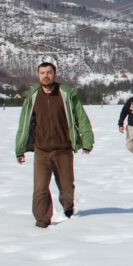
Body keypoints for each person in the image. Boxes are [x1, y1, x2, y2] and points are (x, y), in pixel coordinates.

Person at [14, 62, 94, 228]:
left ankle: (68, 206)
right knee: (40, 189)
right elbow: (23, 125)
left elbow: (81, 118)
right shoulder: (32, 97)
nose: (46, 76)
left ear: (54, 74)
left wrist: (87, 140)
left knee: (66, 187)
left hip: (63, 150)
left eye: (49, 72)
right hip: (41, 151)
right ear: (38, 75)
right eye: (42, 73)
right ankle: (42, 220)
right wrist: (19, 149)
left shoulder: (66, 95)